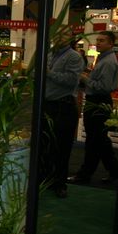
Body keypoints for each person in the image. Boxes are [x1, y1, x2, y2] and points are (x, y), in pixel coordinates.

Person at [68, 31, 118, 184]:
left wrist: (84, 78)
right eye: (97, 40)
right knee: (100, 140)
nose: (98, 43)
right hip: (97, 101)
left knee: (94, 140)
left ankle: (85, 174)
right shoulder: (104, 58)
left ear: (111, 44)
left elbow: (104, 87)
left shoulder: (108, 62)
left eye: (102, 40)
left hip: (98, 102)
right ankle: (114, 171)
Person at [39, 26, 85, 198]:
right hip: (47, 105)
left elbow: (71, 80)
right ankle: (45, 180)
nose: (60, 37)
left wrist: (49, 73)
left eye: (65, 34)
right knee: (45, 145)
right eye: (58, 33)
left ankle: (60, 183)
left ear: (71, 37)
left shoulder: (74, 57)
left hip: (63, 107)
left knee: (62, 147)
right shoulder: (49, 54)